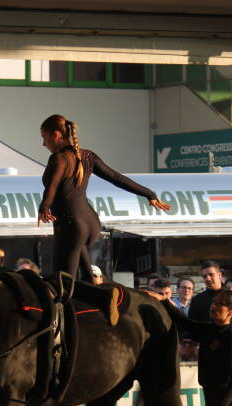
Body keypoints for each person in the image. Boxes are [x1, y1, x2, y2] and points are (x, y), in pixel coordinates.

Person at [37, 114, 169, 325]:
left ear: (56, 135)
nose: (43, 144)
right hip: (90, 224)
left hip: (71, 225)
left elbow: (52, 185)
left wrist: (44, 207)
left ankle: (102, 299)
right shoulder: (87, 156)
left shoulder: (59, 158)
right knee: (88, 277)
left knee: (62, 284)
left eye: (44, 138)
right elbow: (116, 178)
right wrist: (149, 193)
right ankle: (99, 304)